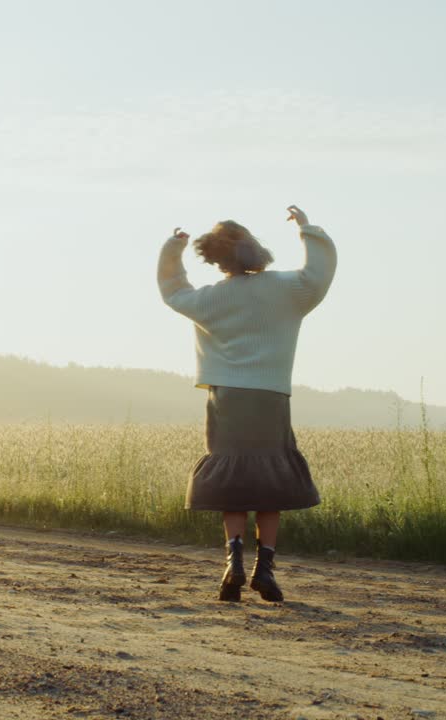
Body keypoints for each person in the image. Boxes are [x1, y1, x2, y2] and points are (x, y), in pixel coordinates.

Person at [157, 205, 338, 602]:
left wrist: (173, 249)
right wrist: (308, 230)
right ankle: (265, 570)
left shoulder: (209, 300)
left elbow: (173, 291)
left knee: (233, 481)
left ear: (215, 256)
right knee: (270, 481)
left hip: (226, 398)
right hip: (271, 394)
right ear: (254, 249)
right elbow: (319, 274)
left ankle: (233, 563)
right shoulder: (287, 290)